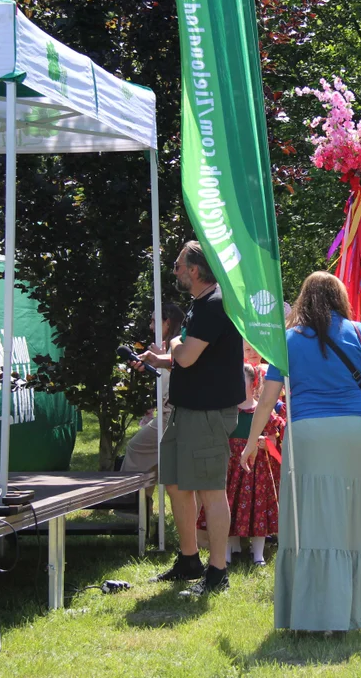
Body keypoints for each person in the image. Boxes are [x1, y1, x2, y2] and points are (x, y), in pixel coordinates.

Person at [240, 271, 361, 632]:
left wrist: (250, 442)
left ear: (304, 299)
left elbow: (267, 401)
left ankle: (312, 615)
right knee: (356, 523)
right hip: (359, 432)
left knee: (311, 523)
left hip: (309, 433)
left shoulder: (287, 340)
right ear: (339, 298)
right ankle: (355, 614)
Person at [144, 241, 244, 597]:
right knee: (175, 484)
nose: (174, 271)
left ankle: (218, 572)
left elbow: (186, 356)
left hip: (207, 414)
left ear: (195, 271)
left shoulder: (214, 305)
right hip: (186, 411)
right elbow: (193, 358)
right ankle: (189, 560)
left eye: (178, 266)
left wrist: (171, 348)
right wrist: (162, 360)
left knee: (210, 490)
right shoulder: (200, 305)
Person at [197, 364, 284, 567]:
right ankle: (228, 551)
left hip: (257, 472)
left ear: (253, 384)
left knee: (258, 507)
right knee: (229, 506)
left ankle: (258, 554)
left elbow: (276, 433)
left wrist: (266, 442)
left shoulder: (262, 410)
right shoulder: (228, 412)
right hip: (230, 469)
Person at [121, 302, 185, 479]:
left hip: (172, 415)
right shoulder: (174, 345)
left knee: (136, 447)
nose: (150, 327)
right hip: (172, 413)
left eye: (154, 321)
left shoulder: (178, 346)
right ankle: (142, 501)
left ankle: (131, 499)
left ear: (168, 322)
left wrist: (163, 360)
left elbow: (180, 375)